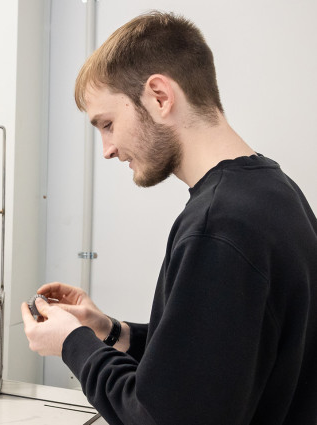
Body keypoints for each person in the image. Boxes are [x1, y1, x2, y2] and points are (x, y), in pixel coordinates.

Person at [21, 11, 317, 425]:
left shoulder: (218, 226)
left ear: (159, 97)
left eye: (107, 124)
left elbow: (160, 416)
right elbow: (207, 365)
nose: (106, 149)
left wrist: (73, 343)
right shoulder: (273, 192)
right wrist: (108, 331)